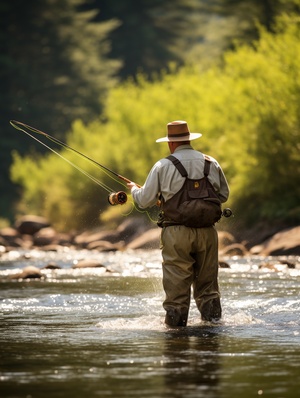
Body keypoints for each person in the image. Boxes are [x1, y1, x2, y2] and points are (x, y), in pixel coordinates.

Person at [127, 120, 229, 327]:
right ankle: (212, 334)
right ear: (189, 139)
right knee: (208, 288)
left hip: (176, 234)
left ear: (171, 143)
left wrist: (132, 189)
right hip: (208, 233)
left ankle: (176, 338)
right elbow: (223, 196)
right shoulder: (211, 162)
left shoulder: (163, 165)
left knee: (177, 288)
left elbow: (144, 200)